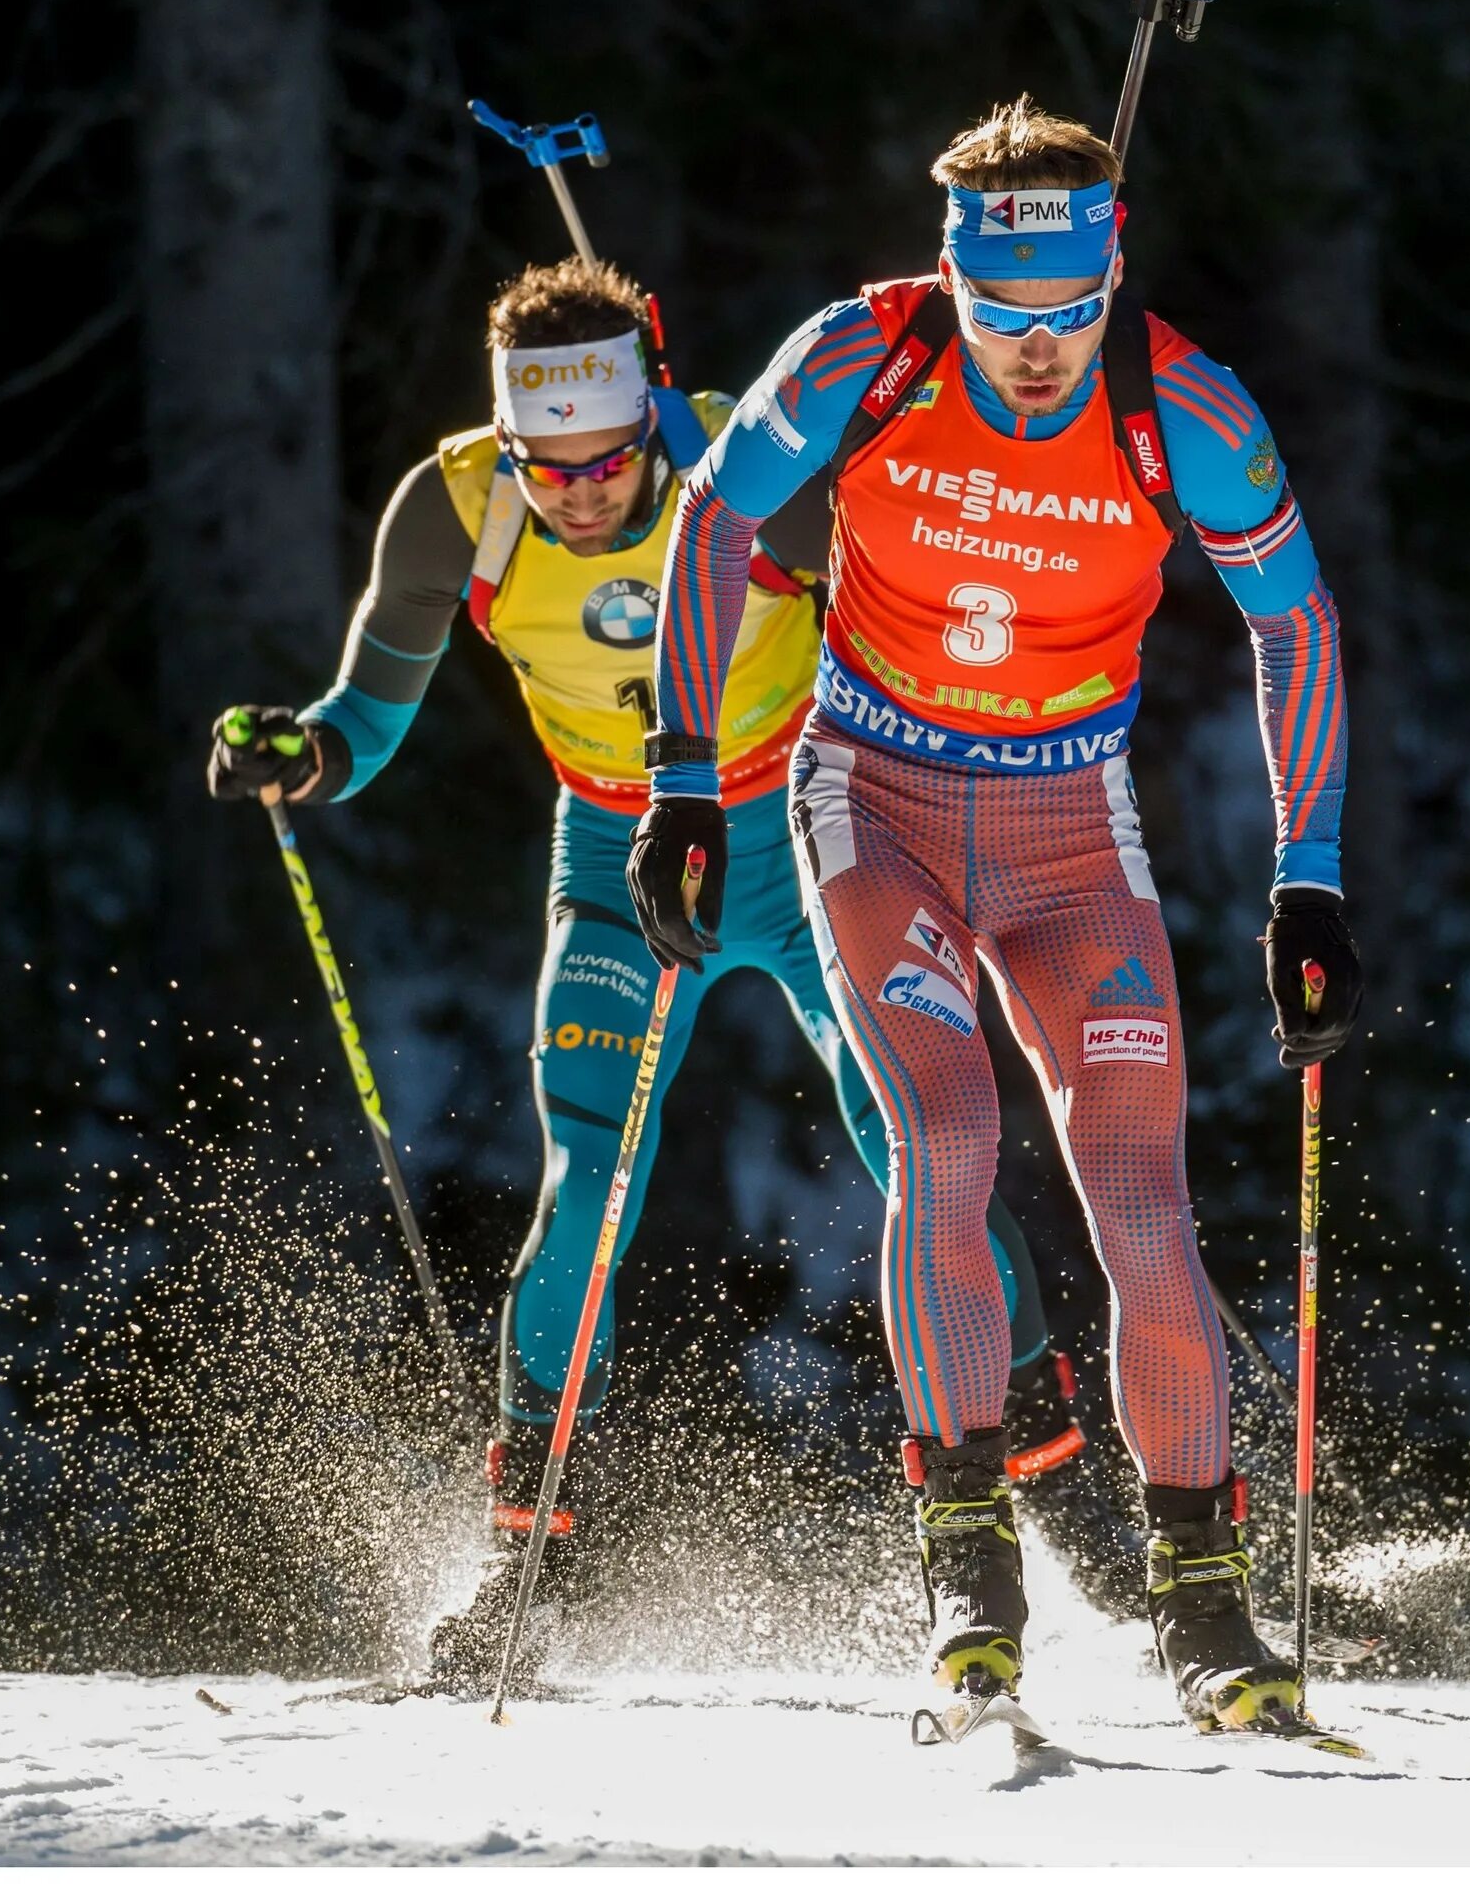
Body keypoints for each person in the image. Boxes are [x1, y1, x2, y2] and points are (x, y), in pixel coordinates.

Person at [208, 255, 1126, 1682]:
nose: (579, 495)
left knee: (922, 1148)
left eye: (608, 462)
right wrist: (304, 750)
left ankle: (1062, 1489)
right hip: (619, 852)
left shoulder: (739, 448)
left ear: (649, 415)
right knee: (591, 1178)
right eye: (547, 467)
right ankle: (532, 1548)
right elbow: (370, 710)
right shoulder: (453, 509)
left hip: (811, 823)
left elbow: (922, 588)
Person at [633, 96, 1365, 1728]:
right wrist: (687, 774)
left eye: (1071, 314)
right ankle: (969, 1556)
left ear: (1112, 284)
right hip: (871, 798)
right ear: (955, 283)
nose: (1038, 351)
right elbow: (716, 516)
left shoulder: (1186, 405)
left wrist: (1306, 881)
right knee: (947, 1142)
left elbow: (1295, 619)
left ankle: (1203, 1602)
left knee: (1141, 1203)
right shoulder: (863, 355)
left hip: (1067, 829)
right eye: (1004, 314)